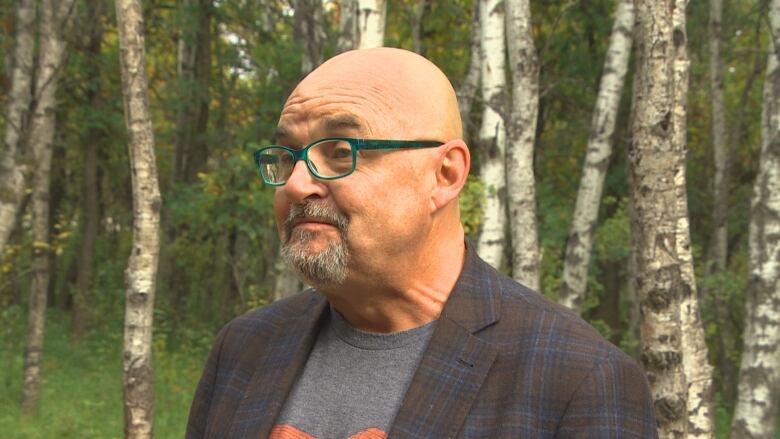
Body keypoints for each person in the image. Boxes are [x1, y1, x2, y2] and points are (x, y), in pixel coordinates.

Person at [186, 48, 657, 439]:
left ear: (445, 174)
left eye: (341, 152)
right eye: (288, 157)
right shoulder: (244, 349)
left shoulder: (578, 380)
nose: (296, 183)